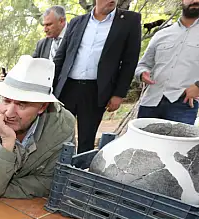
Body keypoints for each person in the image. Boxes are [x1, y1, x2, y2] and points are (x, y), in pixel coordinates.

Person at [0, 56, 76, 210]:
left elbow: (54, 181)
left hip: (28, 202)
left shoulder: (62, 127)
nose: (9, 112)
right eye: (6, 100)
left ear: (42, 107)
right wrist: (7, 143)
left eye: (22, 104)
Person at [53, 0, 141, 153]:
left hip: (96, 90)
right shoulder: (77, 22)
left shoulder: (130, 21)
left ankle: (79, 174)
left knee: (86, 139)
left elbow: (130, 61)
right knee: (58, 134)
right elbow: (61, 57)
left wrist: (119, 94)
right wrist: (50, 87)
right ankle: (55, 171)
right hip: (67, 87)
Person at [134, 0, 199, 124]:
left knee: (175, 143)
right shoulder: (163, 33)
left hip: (184, 103)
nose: (195, 1)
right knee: (142, 143)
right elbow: (143, 64)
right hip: (150, 101)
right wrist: (142, 73)